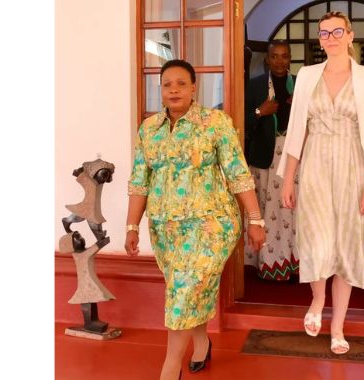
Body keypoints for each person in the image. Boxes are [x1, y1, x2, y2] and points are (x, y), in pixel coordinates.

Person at [124, 59, 266, 380]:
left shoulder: (215, 123)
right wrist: (132, 226)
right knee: (187, 288)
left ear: (193, 88)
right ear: (160, 90)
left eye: (181, 83)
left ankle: (170, 369)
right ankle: (201, 343)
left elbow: (237, 173)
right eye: (167, 84)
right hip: (166, 228)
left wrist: (255, 219)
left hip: (212, 224)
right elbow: (139, 182)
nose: (174, 89)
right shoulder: (149, 130)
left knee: (186, 289)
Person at [278, 11, 364, 355]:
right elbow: (296, 130)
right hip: (315, 163)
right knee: (316, 237)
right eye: (324, 33)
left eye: (337, 31)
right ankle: (317, 300)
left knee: (347, 242)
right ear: (320, 40)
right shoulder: (306, 76)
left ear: (350, 36)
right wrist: (288, 179)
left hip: (353, 165)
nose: (330, 37)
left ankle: (338, 326)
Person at [244, 40, 298, 281]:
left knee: (292, 210)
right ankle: (265, 263)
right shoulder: (254, 85)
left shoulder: (299, 84)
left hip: (294, 156)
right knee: (264, 210)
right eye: (274, 56)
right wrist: (259, 112)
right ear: (267, 59)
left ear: (290, 59)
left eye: (284, 56)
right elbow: (241, 122)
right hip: (263, 157)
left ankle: (293, 263)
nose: (279, 61)